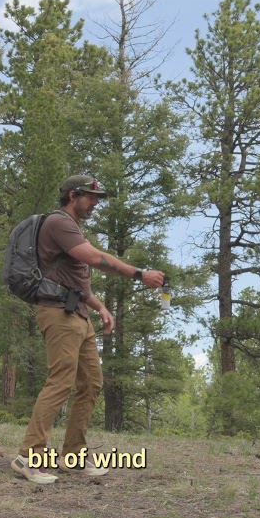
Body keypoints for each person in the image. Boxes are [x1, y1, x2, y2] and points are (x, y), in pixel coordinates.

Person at [11, 175, 167, 485]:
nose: (96, 203)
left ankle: (73, 456)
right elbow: (96, 258)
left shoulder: (73, 229)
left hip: (77, 314)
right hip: (58, 313)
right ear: (73, 195)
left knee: (91, 383)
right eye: (91, 197)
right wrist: (139, 274)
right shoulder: (59, 223)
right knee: (60, 381)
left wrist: (100, 307)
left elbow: (75, 284)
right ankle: (27, 457)